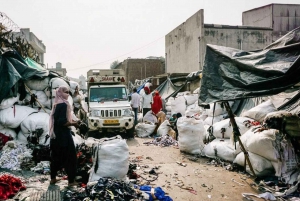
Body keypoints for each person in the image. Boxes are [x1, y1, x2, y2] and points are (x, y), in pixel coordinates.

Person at [49, 86, 80, 187]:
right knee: (70, 157)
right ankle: (71, 181)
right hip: (64, 135)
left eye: (68, 92)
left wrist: (73, 121)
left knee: (56, 156)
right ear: (60, 93)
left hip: (56, 135)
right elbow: (61, 122)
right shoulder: (64, 104)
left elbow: (59, 120)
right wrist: (73, 124)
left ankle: (53, 178)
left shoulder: (56, 104)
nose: (67, 94)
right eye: (65, 92)